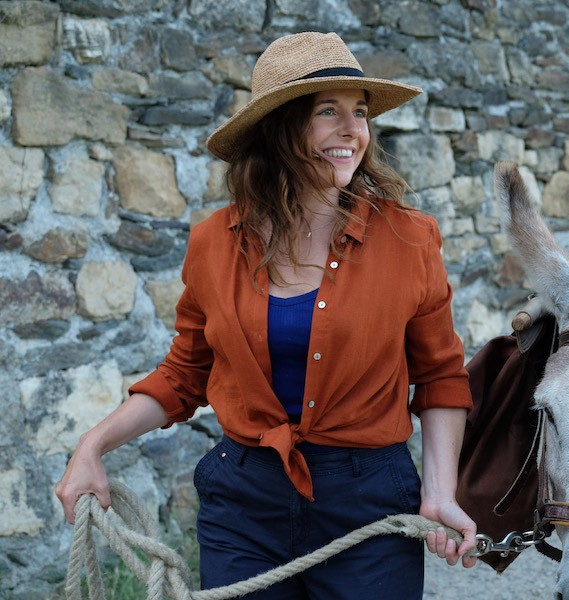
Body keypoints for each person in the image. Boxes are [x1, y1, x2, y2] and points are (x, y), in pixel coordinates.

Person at [56, 31, 477, 599]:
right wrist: (92, 447)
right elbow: (183, 376)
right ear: (279, 129)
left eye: (360, 112)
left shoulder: (409, 238)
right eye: (329, 112)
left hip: (370, 500)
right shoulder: (212, 243)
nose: (353, 130)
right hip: (244, 504)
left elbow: (441, 378)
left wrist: (440, 493)